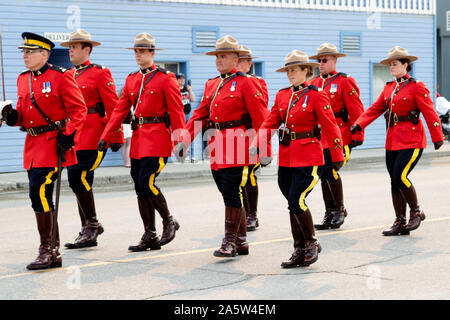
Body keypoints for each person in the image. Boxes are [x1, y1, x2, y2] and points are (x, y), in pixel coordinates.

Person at [174, 35, 269, 258]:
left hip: (240, 144)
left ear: (236, 59)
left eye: (223, 55)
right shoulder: (212, 84)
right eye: (217, 55)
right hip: (217, 145)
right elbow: (199, 114)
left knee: (231, 193)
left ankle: (230, 241)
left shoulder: (247, 82)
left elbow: (261, 119)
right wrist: (184, 140)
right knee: (226, 191)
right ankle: (242, 240)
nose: (218, 59)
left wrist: (264, 151)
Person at [0, 32, 87, 270]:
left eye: (29, 52)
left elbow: (80, 110)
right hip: (33, 144)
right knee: (42, 195)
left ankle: (46, 249)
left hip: (53, 143)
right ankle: (53, 251)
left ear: (44, 54)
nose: (25, 56)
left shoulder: (60, 76)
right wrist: (12, 117)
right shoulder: (22, 79)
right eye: (23, 52)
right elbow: (24, 115)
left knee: (37, 191)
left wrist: (70, 135)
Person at [250, 50, 344, 268]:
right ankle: (299, 249)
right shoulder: (283, 95)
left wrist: (337, 156)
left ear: (306, 71)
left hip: (310, 157)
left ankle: (310, 243)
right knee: (292, 203)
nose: (290, 74)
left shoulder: (317, 94)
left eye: (294, 70)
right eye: (287, 70)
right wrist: (257, 142)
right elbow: (270, 122)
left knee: (296, 200)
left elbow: (331, 126)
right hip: (287, 158)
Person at [98, 33, 185, 251]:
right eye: (136, 51)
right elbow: (119, 110)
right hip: (138, 139)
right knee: (139, 186)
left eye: (143, 51)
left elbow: (176, 112)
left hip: (157, 139)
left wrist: (181, 140)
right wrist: (106, 135)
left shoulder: (166, 78)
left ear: (152, 53)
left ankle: (168, 220)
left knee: (146, 182)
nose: (138, 55)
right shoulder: (131, 79)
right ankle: (150, 235)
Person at [350, 46, 444, 236]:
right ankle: (399, 222)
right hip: (393, 140)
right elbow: (375, 109)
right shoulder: (389, 87)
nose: (391, 67)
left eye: (395, 64)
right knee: (394, 180)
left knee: (400, 175)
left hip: (412, 139)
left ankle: (416, 211)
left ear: (405, 65)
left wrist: (437, 136)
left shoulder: (416, 86)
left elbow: (429, 111)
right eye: (390, 64)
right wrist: (359, 124)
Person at [60, 29, 124, 249]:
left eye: (74, 47)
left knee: (79, 177)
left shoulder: (100, 72)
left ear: (87, 50)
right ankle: (88, 227)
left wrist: (116, 135)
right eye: (69, 47)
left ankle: (92, 225)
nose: (70, 51)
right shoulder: (68, 75)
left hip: (95, 134)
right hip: (74, 135)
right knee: (77, 179)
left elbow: (114, 106)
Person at [309, 43, 365, 230]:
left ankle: (339, 209)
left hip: (341, 135)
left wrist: (358, 133)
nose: (321, 63)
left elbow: (356, 109)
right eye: (319, 60)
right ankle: (329, 212)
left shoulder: (344, 81)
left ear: (334, 60)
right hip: (320, 137)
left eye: (325, 60)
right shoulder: (314, 84)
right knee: (323, 175)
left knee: (331, 171)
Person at [236, 45, 269, 232]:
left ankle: (252, 215)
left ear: (249, 63)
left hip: (251, 134)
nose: (240, 64)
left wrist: (264, 147)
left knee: (249, 176)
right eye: (238, 60)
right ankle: (242, 212)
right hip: (234, 138)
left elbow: (262, 112)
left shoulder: (257, 82)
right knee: (237, 178)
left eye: (243, 61)